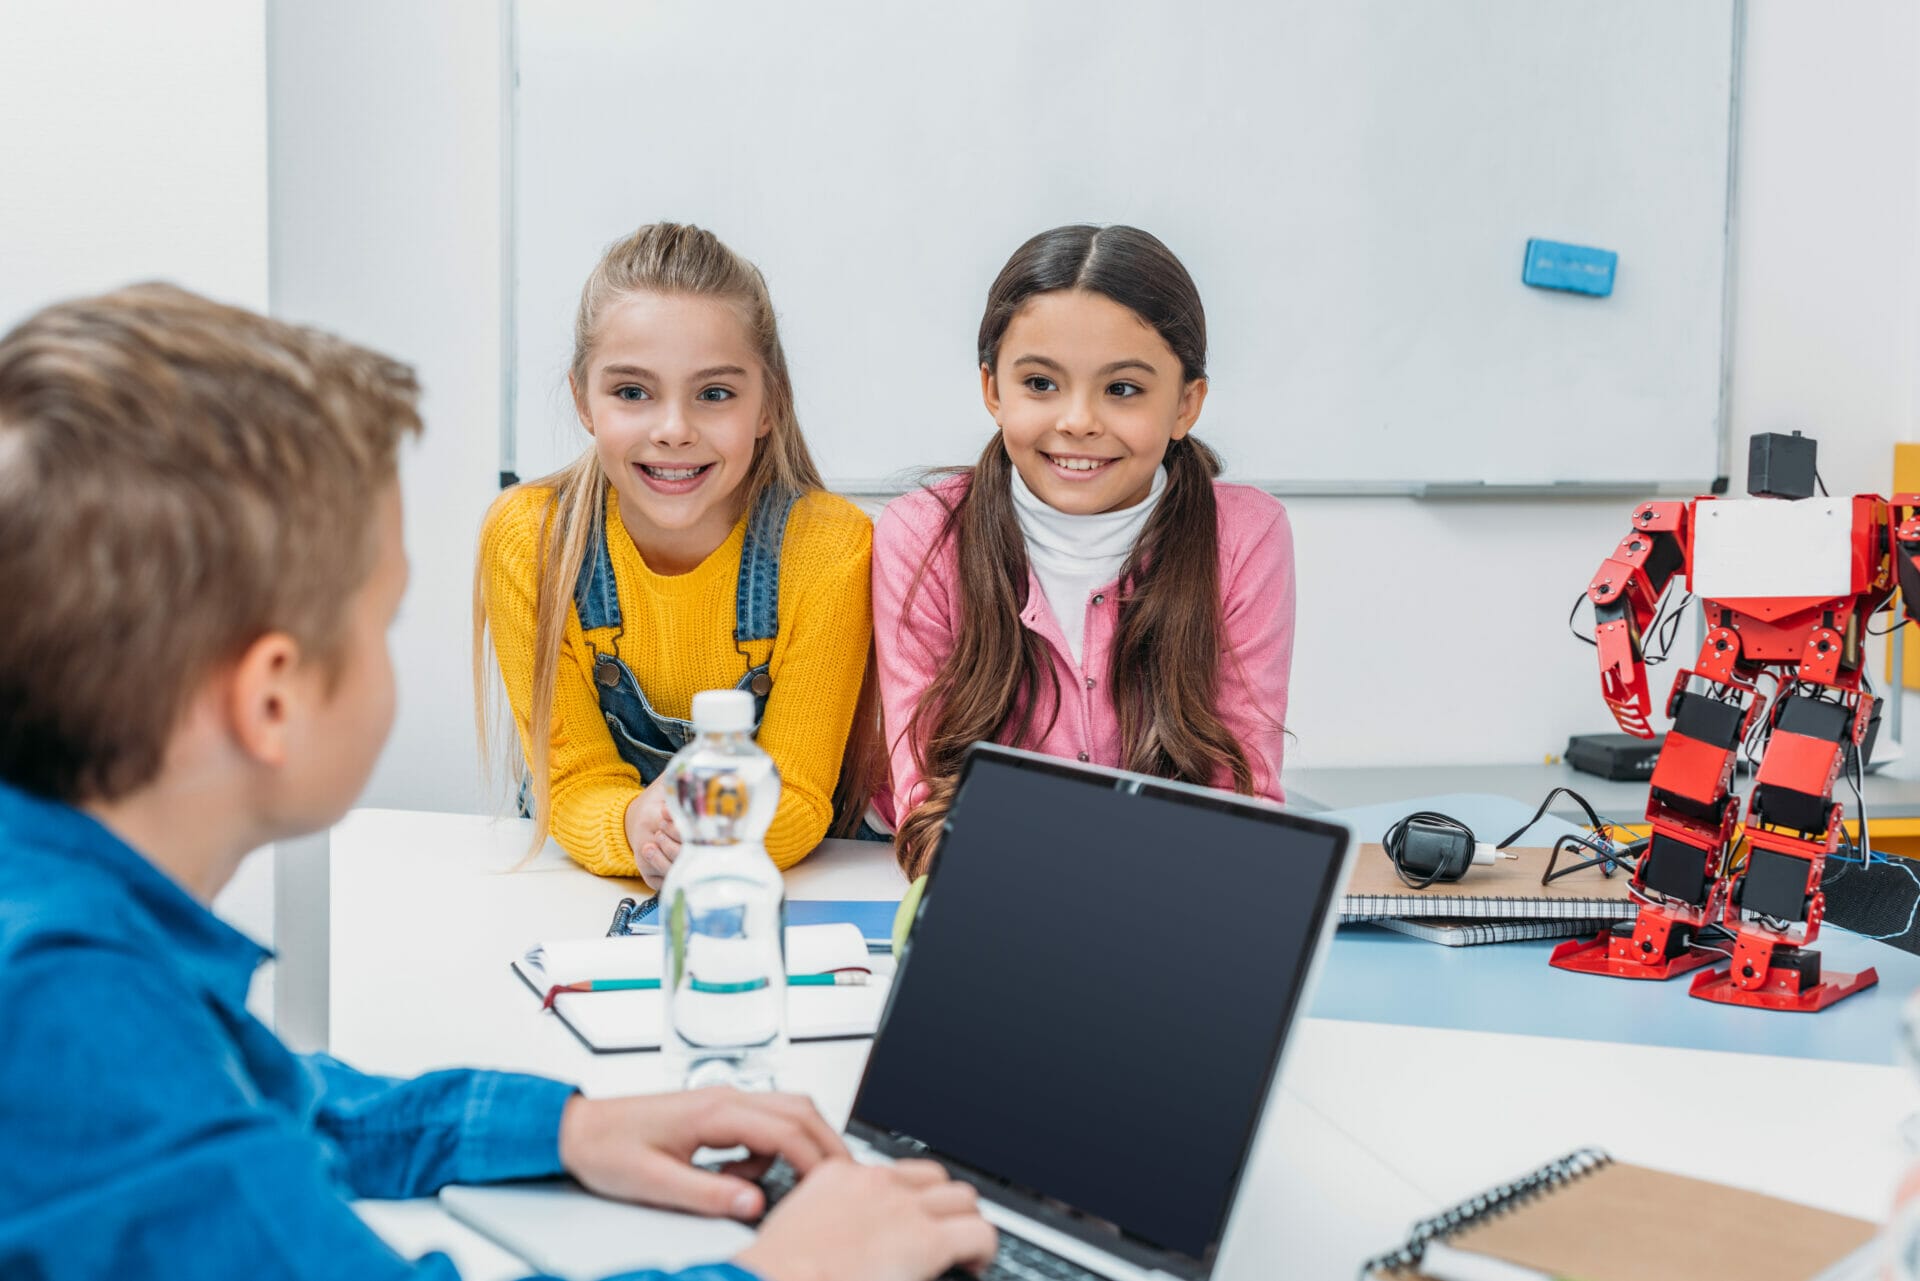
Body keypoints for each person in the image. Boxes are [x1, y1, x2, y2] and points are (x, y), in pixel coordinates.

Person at [0, 283, 992, 1281]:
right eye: (382, 623)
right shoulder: (69, 1021)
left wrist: (567, 1129)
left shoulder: (67, 952)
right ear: (271, 699)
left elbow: (275, 1100)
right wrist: (787, 1273)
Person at [874, 225, 1296, 877]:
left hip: (1156, 897)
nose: (1077, 421)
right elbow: (928, 805)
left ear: (1186, 405)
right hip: (984, 888)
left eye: (1122, 389)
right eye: (1041, 383)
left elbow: (1241, 806)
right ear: (993, 391)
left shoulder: (1245, 535)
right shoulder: (922, 534)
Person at [476, 223, 879, 884]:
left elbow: (799, 793)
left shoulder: (829, 548)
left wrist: (703, 834)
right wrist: (632, 825)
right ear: (583, 400)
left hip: (774, 888)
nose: (673, 430)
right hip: (588, 893)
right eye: (632, 392)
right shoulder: (531, 540)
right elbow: (574, 781)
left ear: (768, 405)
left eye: (714, 394)